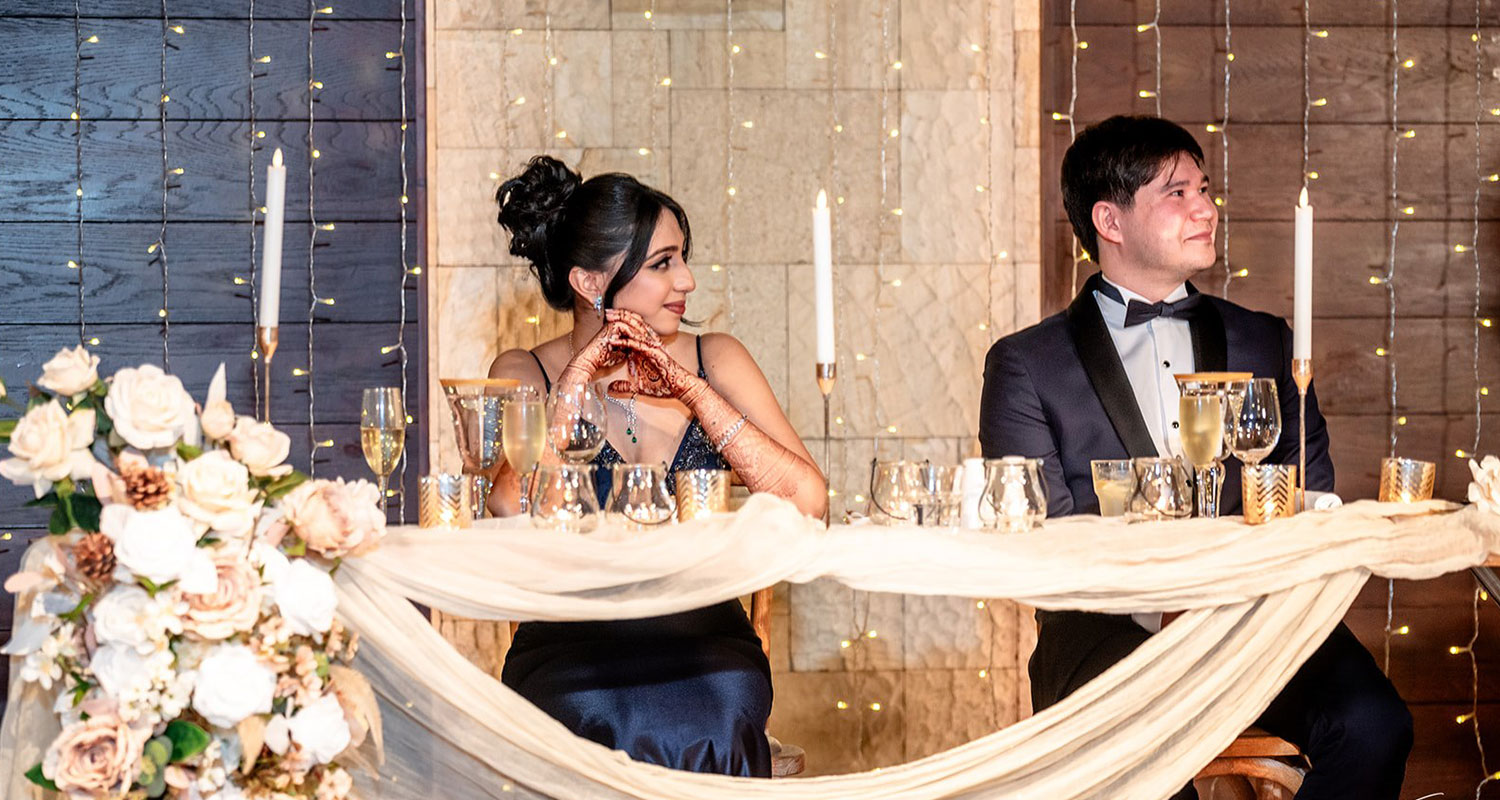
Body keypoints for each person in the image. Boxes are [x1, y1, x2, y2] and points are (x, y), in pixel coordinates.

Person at [979, 115, 1412, 799]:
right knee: (1141, 764)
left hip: (1254, 623)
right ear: (1110, 221)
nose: (1206, 208)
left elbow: (1311, 494)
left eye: (1204, 190)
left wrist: (1231, 598)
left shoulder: (1267, 341)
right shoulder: (1027, 364)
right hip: (1104, 637)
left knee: (1374, 724)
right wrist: (1164, 604)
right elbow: (1042, 542)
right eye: (1177, 193)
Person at [485, 155, 827, 778]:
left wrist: (693, 391)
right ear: (591, 283)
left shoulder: (716, 357)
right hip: (572, 646)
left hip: (706, 643)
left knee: (721, 710)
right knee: (584, 713)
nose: (687, 280)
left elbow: (808, 500)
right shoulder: (523, 370)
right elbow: (510, 505)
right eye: (663, 263)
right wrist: (575, 382)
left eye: (682, 258)